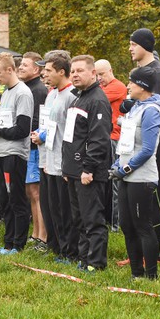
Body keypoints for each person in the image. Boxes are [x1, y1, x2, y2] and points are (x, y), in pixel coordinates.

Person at [112, 66, 160, 279]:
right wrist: (119, 165)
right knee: (127, 225)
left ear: (142, 86)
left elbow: (148, 149)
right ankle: (136, 273)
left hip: (141, 176)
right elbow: (125, 142)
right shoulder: (135, 106)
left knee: (142, 225)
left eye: (132, 82)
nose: (128, 85)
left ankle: (151, 275)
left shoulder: (151, 110)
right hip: (125, 174)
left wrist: (126, 168)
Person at [62, 55, 113, 271]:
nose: (75, 74)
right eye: (72, 71)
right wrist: (68, 167)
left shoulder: (97, 100)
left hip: (89, 172)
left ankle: (96, 263)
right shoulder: (78, 98)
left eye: (80, 70)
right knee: (80, 219)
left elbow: (99, 139)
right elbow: (72, 136)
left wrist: (88, 168)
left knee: (93, 219)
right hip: (74, 170)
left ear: (93, 73)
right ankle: (84, 259)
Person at [0, 52, 34, 254]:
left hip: (15, 154)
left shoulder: (23, 93)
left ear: (10, 69)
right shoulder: (7, 93)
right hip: (1, 153)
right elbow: (6, 125)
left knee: (16, 199)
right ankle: (8, 241)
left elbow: (22, 129)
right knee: (3, 199)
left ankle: (17, 244)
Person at [36, 52, 77, 260]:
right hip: (49, 158)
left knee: (65, 210)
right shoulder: (53, 94)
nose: (45, 74)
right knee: (53, 208)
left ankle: (70, 250)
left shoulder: (71, 96)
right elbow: (49, 126)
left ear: (62, 72)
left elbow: (70, 134)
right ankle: (58, 247)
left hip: (63, 162)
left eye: (49, 71)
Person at [18, 52, 49, 247]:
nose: (20, 67)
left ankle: (42, 236)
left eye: (24, 65)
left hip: (35, 147)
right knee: (30, 192)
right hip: (27, 147)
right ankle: (36, 232)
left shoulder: (38, 90)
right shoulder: (26, 88)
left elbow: (39, 120)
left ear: (36, 69)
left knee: (37, 193)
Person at [96, 58, 127, 232]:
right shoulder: (103, 88)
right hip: (106, 137)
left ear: (110, 71)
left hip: (115, 138)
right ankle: (109, 219)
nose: (99, 78)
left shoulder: (117, 87)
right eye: (97, 74)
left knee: (115, 182)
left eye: (102, 74)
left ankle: (117, 225)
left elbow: (96, 99)